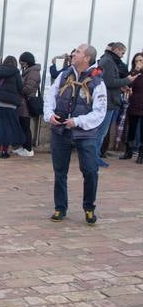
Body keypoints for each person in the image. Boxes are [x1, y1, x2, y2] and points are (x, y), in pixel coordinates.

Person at [44, 43, 107, 225]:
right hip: (61, 131)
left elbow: (99, 113)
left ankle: (89, 207)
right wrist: (49, 115)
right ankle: (60, 207)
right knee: (59, 171)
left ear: (87, 58)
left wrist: (78, 121)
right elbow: (50, 96)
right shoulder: (64, 75)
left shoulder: (97, 82)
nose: (73, 54)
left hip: (85, 134)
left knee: (90, 171)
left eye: (78, 52)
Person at [96, 42, 136, 167]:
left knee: (101, 132)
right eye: (122, 52)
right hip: (108, 102)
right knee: (101, 132)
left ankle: (95, 156)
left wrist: (121, 86)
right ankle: (94, 157)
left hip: (108, 100)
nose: (123, 55)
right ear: (117, 50)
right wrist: (127, 80)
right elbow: (108, 82)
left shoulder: (107, 60)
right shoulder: (108, 61)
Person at [0, 56, 24, 158]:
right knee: (8, 128)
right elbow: (20, 87)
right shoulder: (16, 73)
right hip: (11, 105)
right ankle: (4, 152)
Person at [15, 51, 41, 157]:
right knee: (22, 126)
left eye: (22, 62)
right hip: (23, 103)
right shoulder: (29, 72)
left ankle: (28, 149)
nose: (21, 65)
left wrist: (18, 90)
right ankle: (24, 147)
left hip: (26, 103)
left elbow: (28, 88)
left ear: (27, 62)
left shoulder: (33, 73)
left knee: (25, 126)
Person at [120, 52, 143, 162]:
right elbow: (127, 85)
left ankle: (141, 155)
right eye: (136, 61)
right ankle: (128, 152)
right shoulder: (133, 73)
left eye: (141, 60)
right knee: (131, 129)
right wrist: (135, 71)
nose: (138, 63)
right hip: (134, 103)